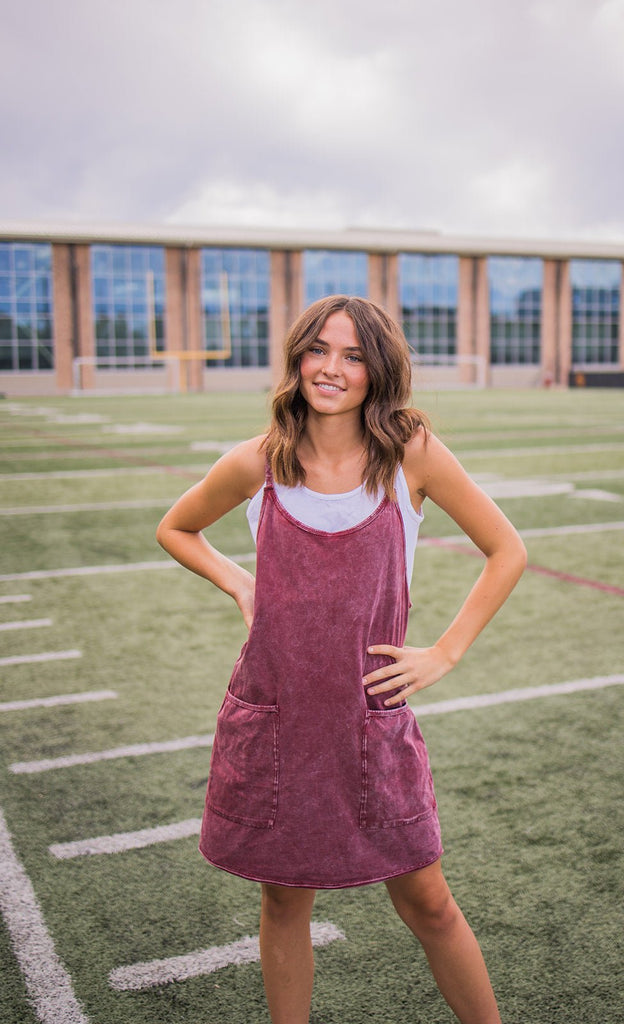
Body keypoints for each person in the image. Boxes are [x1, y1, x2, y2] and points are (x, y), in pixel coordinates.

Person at [156, 295, 527, 1024]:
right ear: (296, 357)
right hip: (277, 720)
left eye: (353, 355)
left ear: (376, 369)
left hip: (369, 723)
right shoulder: (255, 463)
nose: (331, 368)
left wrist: (445, 651)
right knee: (283, 898)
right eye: (318, 349)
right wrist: (241, 583)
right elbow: (176, 528)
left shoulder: (409, 454)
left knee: (429, 902)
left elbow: (506, 549)